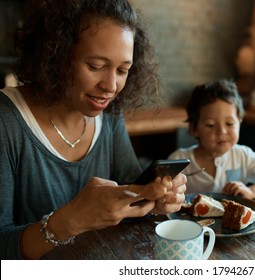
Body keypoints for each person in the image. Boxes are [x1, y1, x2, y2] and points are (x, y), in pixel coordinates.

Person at [0, 0, 186, 260]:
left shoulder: (108, 114)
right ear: (55, 55)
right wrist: (69, 221)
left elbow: (132, 188)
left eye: (123, 70)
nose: (111, 86)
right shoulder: (6, 121)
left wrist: (157, 199)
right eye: (96, 66)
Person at [169, 79, 255, 198]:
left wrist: (252, 191)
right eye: (210, 125)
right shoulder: (179, 160)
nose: (222, 132)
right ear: (194, 129)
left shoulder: (243, 155)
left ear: (239, 122)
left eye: (229, 123)